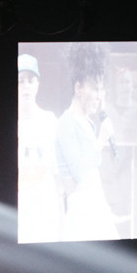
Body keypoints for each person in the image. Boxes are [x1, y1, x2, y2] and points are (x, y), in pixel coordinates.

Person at [54, 45, 121, 241]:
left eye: (102, 89)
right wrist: (100, 140)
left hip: (96, 212)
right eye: (95, 88)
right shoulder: (66, 124)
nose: (100, 96)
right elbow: (80, 172)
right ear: (78, 88)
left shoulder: (89, 123)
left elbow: (93, 175)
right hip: (81, 219)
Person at [15, 54, 64, 244]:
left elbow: (59, 174)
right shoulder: (12, 125)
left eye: (31, 80)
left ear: (37, 84)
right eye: (21, 81)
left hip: (46, 213)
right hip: (21, 212)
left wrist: (61, 215)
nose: (26, 86)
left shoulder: (50, 121)